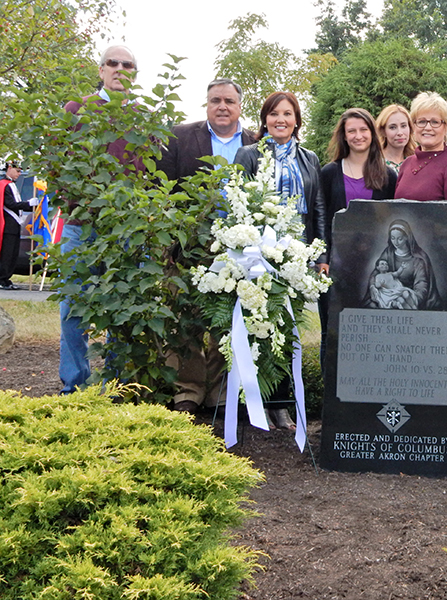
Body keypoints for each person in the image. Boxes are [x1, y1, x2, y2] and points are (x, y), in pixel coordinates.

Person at [156, 78, 256, 414]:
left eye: (229, 100)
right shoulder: (180, 137)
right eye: (215, 100)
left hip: (238, 244)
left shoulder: (256, 142)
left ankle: (221, 392)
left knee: (226, 319)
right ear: (207, 105)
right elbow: (164, 189)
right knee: (184, 317)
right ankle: (188, 390)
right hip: (188, 242)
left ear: (240, 106)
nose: (222, 106)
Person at [234, 91, 327, 430]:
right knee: (258, 327)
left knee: (286, 330)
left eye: (287, 114)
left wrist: (321, 254)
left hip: (296, 255)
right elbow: (239, 204)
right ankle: (255, 404)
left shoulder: (309, 159)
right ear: (265, 119)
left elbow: (317, 208)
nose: (281, 120)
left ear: (297, 120)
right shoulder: (248, 155)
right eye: (274, 114)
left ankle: (281, 404)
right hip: (258, 254)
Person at [59, 44, 144, 394]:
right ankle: (74, 386)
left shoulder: (144, 117)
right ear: (101, 70)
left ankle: (114, 384)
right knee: (72, 308)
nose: (119, 68)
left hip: (125, 230)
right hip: (81, 226)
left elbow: (150, 173)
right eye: (113, 63)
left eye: (128, 64)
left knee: (122, 310)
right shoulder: (77, 110)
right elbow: (59, 160)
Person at [319, 108, 397, 365]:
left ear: (373, 134)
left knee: (374, 333)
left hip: (374, 269)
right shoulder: (329, 173)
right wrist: (323, 258)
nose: (358, 135)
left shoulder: (388, 175)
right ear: (343, 136)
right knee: (333, 333)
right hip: (335, 268)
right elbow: (320, 218)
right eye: (351, 130)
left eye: (363, 129)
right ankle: (332, 395)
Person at [395, 92, 447, 225]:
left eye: (435, 122)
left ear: (445, 127)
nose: (428, 128)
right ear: (414, 126)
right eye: (421, 122)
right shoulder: (407, 164)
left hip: (439, 245)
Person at [365, 219, 441, 310]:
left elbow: (422, 283)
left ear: (406, 237)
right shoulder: (388, 253)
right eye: (393, 238)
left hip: (408, 296)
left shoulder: (418, 259)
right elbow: (376, 273)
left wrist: (415, 299)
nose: (396, 242)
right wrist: (373, 286)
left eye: (399, 239)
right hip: (387, 294)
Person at [0, 160, 38, 290]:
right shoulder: (4, 185)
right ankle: (2, 279)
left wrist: (31, 206)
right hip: (7, 226)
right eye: (17, 171)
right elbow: (10, 204)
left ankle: (6, 279)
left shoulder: (11, 185)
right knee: (7, 254)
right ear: (9, 168)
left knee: (13, 254)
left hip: (14, 225)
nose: (19, 174)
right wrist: (28, 204)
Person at [376, 104, 415, 172]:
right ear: (383, 131)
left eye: (403, 126)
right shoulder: (376, 162)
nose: (400, 133)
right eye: (393, 127)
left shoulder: (416, 160)